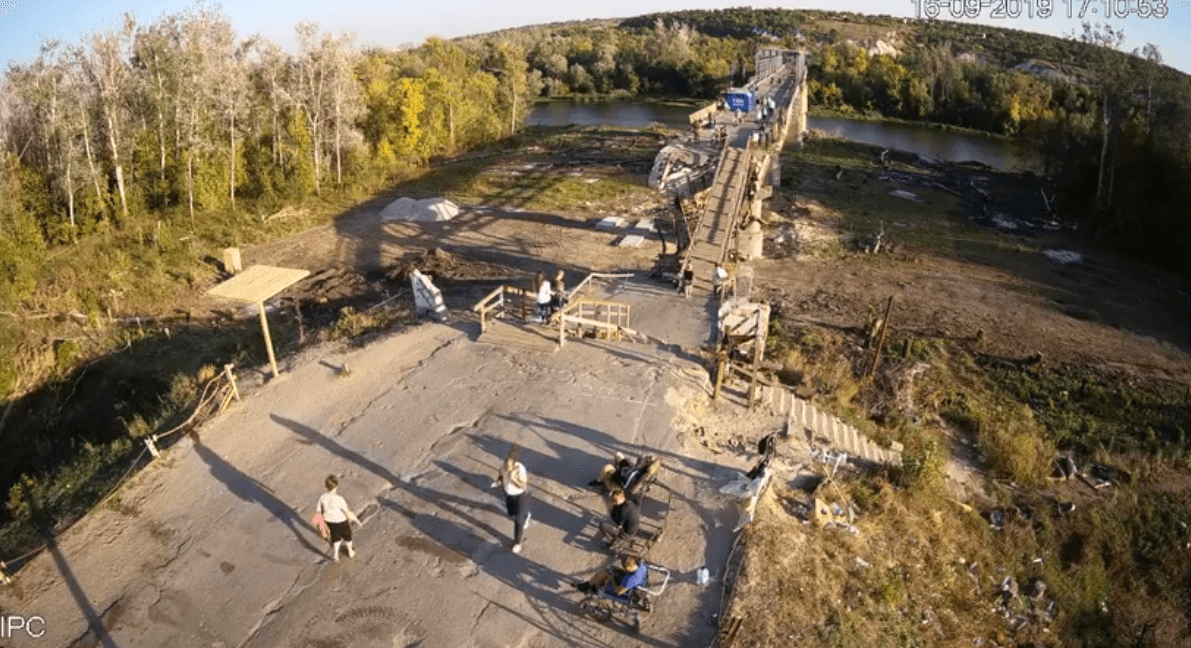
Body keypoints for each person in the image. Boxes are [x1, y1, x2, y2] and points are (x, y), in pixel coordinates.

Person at [492, 445, 532, 553]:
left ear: (514, 464)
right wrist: (499, 482)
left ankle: (518, 542)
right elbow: (501, 474)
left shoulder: (520, 469)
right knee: (511, 514)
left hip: (520, 495)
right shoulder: (504, 466)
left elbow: (524, 485)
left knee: (518, 520)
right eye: (506, 464)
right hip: (508, 493)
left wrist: (515, 479)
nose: (507, 467)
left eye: (509, 465)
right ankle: (525, 515)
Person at [317, 475, 361, 562]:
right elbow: (347, 512)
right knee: (347, 537)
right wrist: (357, 520)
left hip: (329, 521)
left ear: (326, 486)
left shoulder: (322, 497)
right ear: (337, 486)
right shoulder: (339, 499)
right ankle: (350, 552)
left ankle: (335, 555)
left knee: (335, 538)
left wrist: (321, 524)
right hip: (341, 521)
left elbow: (318, 511)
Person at [588, 451, 661, 496]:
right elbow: (637, 467)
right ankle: (613, 469)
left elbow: (631, 490)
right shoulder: (644, 471)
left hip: (621, 479)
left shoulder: (642, 477)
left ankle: (599, 481)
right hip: (629, 470)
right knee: (618, 455)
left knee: (607, 467)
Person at [572, 555, 649, 597]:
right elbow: (629, 572)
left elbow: (619, 592)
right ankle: (592, 584)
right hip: (641, 580)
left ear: (628, 569)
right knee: (611, 569)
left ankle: (588, 586)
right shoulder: (641, 566)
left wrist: (612, 579)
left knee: (603, 573)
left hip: (625, 587)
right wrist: (620, 570)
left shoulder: (629, 580)